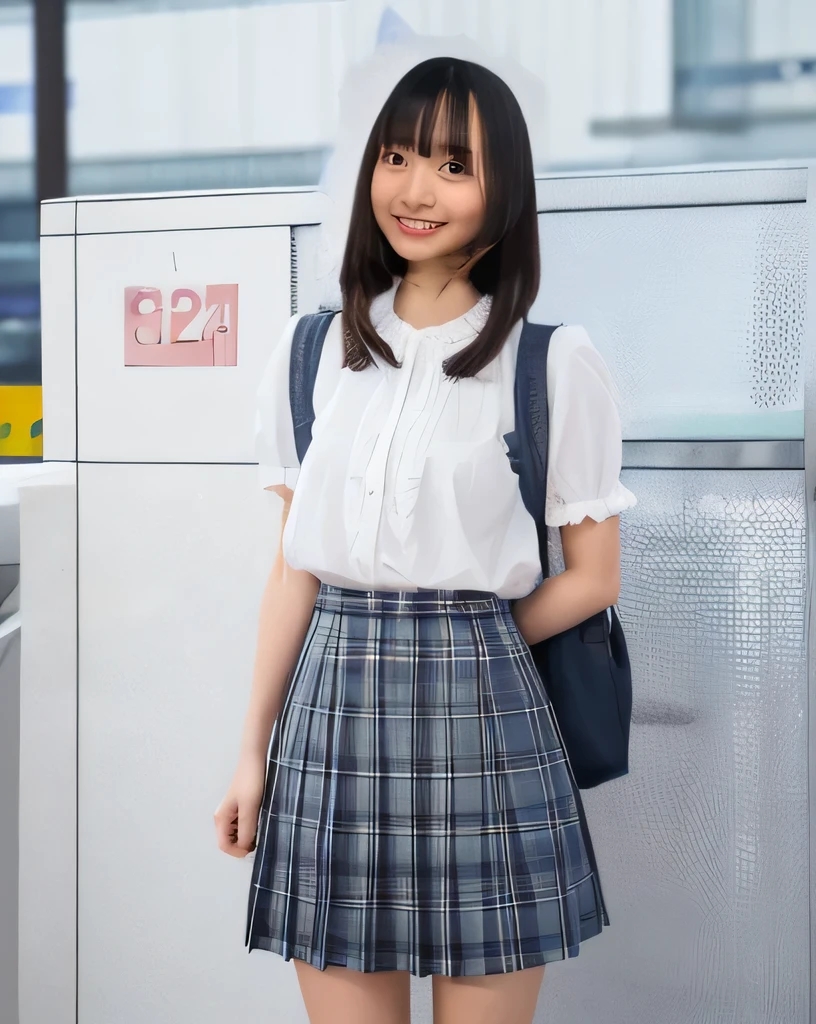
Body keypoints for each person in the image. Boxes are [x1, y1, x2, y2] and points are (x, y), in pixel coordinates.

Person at [214, 55, 637, 1024]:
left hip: (487, 719)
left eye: (454, 166)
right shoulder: (312, 350)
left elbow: (595, 577)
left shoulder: (551, 360)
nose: (414, 189)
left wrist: (466, 644)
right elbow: (295, 568)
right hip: (328, 718)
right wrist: (251, 751)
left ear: (505, 191)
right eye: (397, 156)